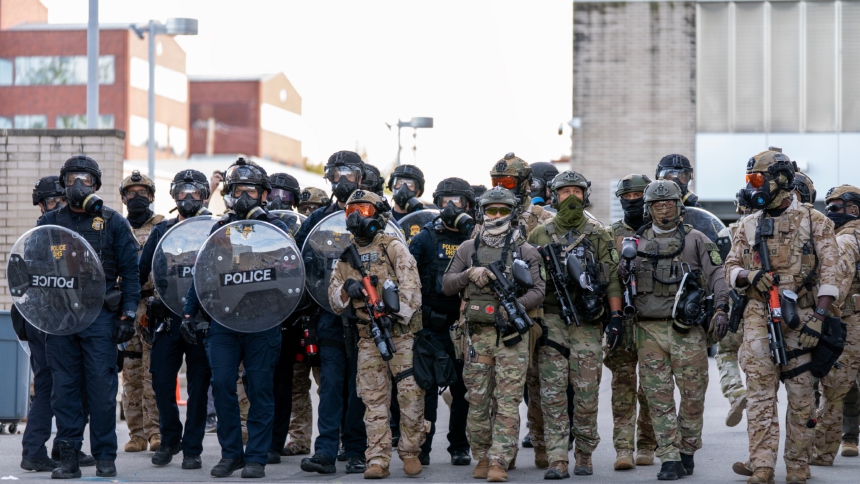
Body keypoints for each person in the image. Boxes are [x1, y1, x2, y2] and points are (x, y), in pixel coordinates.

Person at [725, 148, 841, 484]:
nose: (753, 186)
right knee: (760, 394)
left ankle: (797, 466)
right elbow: (730, 267)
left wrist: (819, 317)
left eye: (758, 179)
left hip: (801, 317)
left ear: (780, 179)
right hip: (759, 316)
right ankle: (762, 466)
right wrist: (748, 276)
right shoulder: (748, 224)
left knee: (802, 396)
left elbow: (831, 273)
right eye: (750, 180)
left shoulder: (814, 221)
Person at [181, 158, 291, 478]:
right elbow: (202, 272)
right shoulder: (220, 228)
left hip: (263, 319)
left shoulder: (277, 229)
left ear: (264, 194)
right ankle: (231, 454)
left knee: (260, 388)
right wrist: (189, 311)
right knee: (222, 384)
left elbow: (290, 270)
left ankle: (256, 456)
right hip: (224, 320)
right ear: (229, 193)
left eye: (251, 190)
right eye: (238, 190)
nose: (244, 197)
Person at [40, 155, 140, 479]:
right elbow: (35, 269)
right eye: (71, 179)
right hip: (61, 318)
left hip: (99, 317)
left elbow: (131, 274)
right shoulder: (49, 223)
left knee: (101, 391)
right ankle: (68, 458)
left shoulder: (113, 222)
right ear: (63, 183)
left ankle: (105, 457)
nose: (78, 185)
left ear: (95, 184)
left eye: (85, 179)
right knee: (64, 391)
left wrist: (127, 316)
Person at [442, 186, 546, 482]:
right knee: (477, 400)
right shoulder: (468, 248)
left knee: (508, 401)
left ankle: (500, 459)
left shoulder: (525, 250)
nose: (497, 215)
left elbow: (539, 290)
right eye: (491, 210)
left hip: (512, 336)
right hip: (477, 337)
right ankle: (483, 455)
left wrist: (514, 307)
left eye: (503, 210)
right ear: (482, 212)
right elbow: (447, 284)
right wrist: (468, 274)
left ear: (512, 213)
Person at [630, 179, 729, 481]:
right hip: (648, 330)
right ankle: (669, 457)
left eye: (669, 203)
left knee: (693, 395)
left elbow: (718, 274)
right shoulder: (634, 243)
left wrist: (722, 308)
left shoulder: (697, 239)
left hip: (687, 330)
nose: (663, 208)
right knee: (657, 398)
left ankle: (687, 449)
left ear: (679, 206)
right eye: (657, 204)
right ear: (648, 208)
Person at [528, 170, 623, 478]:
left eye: (577, 191)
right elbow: (526, 280)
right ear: (555, 196)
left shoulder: (599, 233)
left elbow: (612, 279)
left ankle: (584, 454)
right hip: (551, 320)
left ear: (585, 195)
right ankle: (557, 458)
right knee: (552, 393)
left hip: (587, 322)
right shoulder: (539, 234)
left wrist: (616, 318)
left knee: (586, 394)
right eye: (565, 192)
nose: (571, 197)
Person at [328, 189, 427, 478]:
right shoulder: (346, 257)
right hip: (368, 336)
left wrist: (391, 312)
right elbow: (334, 301)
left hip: (401, 334)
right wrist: (347, 288)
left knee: (410, 396)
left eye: (364, 210)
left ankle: (410, 452)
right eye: (351, 211)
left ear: (379, 215)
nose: (357, 217)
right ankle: (377, 459)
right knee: (374, 400)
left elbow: (412, 289)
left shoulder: (393, 247)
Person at [294, 151, 368, 475]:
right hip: (327, 313)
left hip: (364, 315)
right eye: (336, 174)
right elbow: (295, 258)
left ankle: (355, 451)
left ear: (360, 177)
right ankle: (325, 451)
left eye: (349, 172)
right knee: (330, 386)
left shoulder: (373, 212)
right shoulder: (316, 220)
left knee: (358, 387)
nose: (342, 180)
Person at [18, 177, 97, 473]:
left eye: (62, 200)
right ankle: (33, 451)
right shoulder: (42, 235)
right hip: (46, 318)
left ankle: (63, 447)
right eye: (52, 201)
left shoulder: (72, 233)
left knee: (73, 385)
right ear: (41, 205)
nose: (59, 205)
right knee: (50, 384)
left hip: (68, 317)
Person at [138, 169, 213, 470]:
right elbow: (140, 271)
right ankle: (170, 439)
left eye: (195, 192)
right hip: (167, 318)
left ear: (205, 196)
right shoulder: (161, 231)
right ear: (173, 195)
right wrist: (129, 307)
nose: (188, 198)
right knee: (160, 381)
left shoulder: (214, 229)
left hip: (202, 319)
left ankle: (192, 448)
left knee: (199, 386)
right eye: (183, 191)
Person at [485, 153, 554, 458]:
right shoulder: (488, 215)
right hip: (498, 316)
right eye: (497, 183)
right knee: (500, 389)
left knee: (538, 386)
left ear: (525, 184)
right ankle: (503, 454)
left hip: (536, 312)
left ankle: (541, 445)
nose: (502, 188)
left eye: (508, 182)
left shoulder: (544, 219)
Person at [407, 178, 476, 466]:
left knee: (463, 389)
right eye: (445, 200)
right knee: (428, 388)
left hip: (463, 326)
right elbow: (408, 277)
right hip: (430, 326)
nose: (450, 207)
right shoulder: (425, 237)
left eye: (456, 200)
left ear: (467, 204)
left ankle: (459, 446)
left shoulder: (475, 238)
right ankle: (422, 447)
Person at [605, 174, 657, 469]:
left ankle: (647, 445)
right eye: (627, 197)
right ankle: (623, 449)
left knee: (651, 386)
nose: (633, 201)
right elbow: (604, 275)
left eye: (638, 196)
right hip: (622, 320)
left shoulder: (659, 231)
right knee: (622, 386)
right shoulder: (610, 233)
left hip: (652, 318)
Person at [809, 185, 860, 466]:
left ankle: (822, 453)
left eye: (836, 207)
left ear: (854, 209)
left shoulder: (846, 240)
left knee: (833, 391)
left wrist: (820, 314)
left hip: (851, 324)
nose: (830, 212)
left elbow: (836, 286)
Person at [118, 170, 163, 454]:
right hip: (126, 308)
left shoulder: (161, 227)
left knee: (152, 372)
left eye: (143, 193)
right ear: (124, 198)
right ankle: (136, 434)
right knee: (131, 373)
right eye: (131, 193)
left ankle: (155, 431)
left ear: (151, 196)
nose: (137, 197)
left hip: (153, 306)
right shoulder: (116, 227)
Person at [714, 196, 750, 428]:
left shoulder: (727, 234)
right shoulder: (774, 231)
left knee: (726, 352)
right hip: (764, 307)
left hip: (733, 305)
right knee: (759, 359)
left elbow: (718, 271)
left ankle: (736, 392)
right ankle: (759, 403)